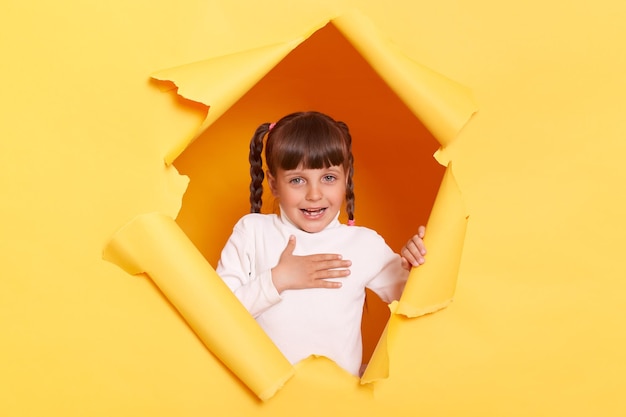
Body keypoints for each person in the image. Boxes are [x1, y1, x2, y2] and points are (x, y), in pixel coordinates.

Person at [216, 111, 427, 376]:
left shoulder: (363, 243)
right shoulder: (252, 232)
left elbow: (415, 303)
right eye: (297, 180)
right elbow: (216, 314)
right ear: (274, 183)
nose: (314, 195)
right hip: (264, 399)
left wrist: (417, 264)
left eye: (328, 178)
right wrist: (277, 279)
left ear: (346, 178)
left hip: (337, 403)